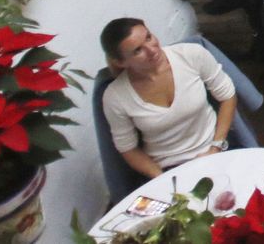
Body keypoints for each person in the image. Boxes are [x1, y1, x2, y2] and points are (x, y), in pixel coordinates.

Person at [99, 19, 237, 178]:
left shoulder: (191, 55)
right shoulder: (115, 96)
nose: (152, 50)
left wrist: (216, 147)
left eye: (149, 37)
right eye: (138, 50)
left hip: (215, 148)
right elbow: (127, 148)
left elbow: (227, 95)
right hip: (169, 169)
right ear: (121, 62)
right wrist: (161, 178)